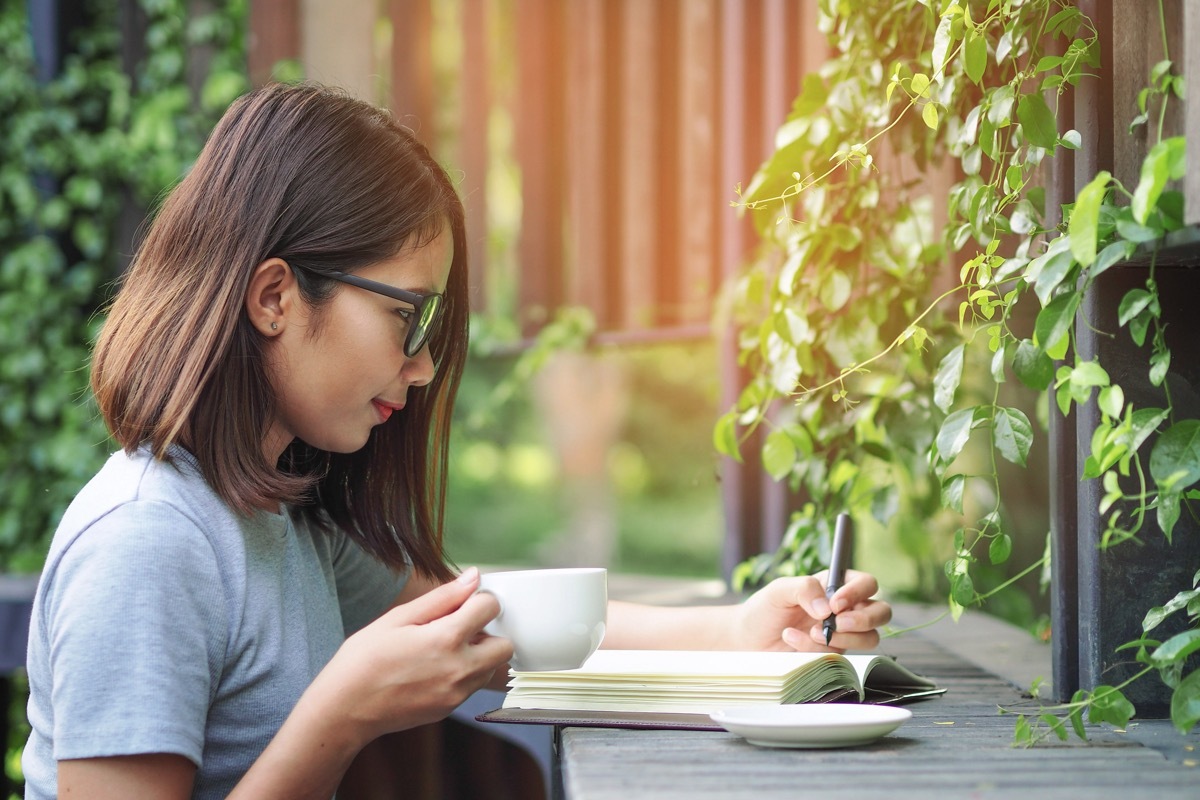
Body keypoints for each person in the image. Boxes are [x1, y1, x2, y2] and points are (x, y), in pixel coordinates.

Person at [22, 82, 891, 800]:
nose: (426, 366)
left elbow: (484, 622)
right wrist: (342, 715)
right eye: (408, 316)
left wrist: (736, 631)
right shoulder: (146, 542)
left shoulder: (278, 520)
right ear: (274, 298)